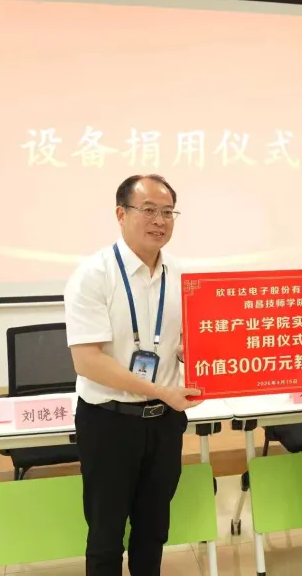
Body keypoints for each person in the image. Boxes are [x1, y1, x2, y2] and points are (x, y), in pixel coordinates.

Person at [64, 174, 202, 576]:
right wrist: (159, 389)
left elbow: (187, 340)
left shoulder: (183, 275)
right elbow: (87, 361)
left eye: (168, 212)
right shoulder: (93, 275)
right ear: (121, 214)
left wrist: (190, 352)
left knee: (153, 531)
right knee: (106, 537)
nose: (159, 221)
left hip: (165, 423)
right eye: (149, 210)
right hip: (109, 422)